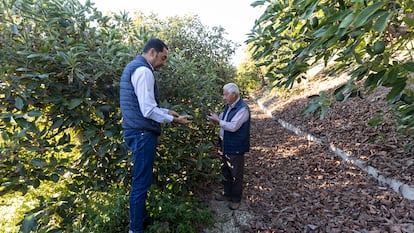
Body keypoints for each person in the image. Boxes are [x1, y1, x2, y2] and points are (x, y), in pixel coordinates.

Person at [119, 38, 190, 233]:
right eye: (163, 58)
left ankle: (139, 221)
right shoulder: (144, 71)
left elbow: (144, 104)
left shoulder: (136, 68)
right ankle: (135, 229)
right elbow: (148, 110)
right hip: (142, 133)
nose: (164, 63)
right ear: (152, 52)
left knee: (142, 180)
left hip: (136, 130)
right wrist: (174, 120)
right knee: (141, 183)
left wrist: (167, 112)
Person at [207, 83, 250, 210]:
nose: (224, 97)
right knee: (225, 170)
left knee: (236, 173)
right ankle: (227, 194)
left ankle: (236, 199)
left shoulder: (242, 109)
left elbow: (233, 126)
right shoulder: (229, 106)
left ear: (234, 94)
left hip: (236, 146)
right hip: (225, 144)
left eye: (225, 94)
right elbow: (224, 118)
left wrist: (218, 121)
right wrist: (215, 116)